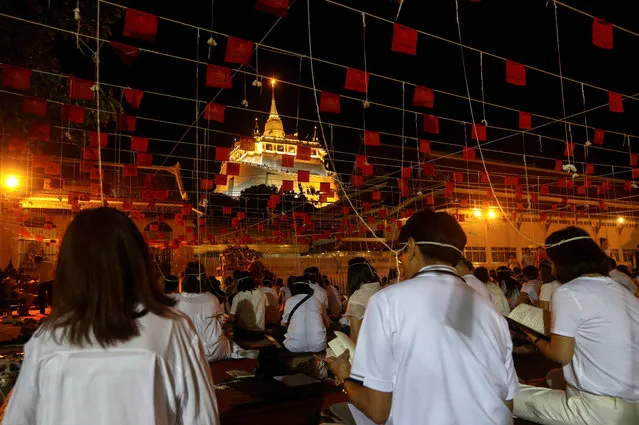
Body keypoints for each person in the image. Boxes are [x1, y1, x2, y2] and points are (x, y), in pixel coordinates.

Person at [1, 207, 219, 425]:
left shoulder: (47, 339)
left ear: (69, 268)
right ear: (137, 260)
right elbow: (202, 418)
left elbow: (19, 418)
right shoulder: (172, 327)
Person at [327, 209, 518, 425]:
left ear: (411, 246)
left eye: (401, 252)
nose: (401, 259)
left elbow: (377, 409)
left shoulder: (387, 302)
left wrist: (345, 377)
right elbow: (507, 402)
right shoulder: (490, 311)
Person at [514, 227, 639, 424]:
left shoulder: (569, 291)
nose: (552, 269)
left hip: (601, 410)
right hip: (633, 401)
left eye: (552, 262)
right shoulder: (619, 290)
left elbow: (560, 354)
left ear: (563, 261)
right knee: (553, 376)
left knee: (506, 392)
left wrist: (532, 335)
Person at [174, 262, 230, 362]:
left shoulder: (177, 300)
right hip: (216, 351)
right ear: (204, 279)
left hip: (188, 354)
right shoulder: (211, 298)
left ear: (184, 279)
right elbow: (221, 321)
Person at [279, 277, 328, 353]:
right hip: (319, 346)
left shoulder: (290, 301)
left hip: (294, 347)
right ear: (308, 287)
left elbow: (284, 322)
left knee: (277, 330)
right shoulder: (316, 301)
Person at [344, 258, 381, 343]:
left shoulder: (356, 299)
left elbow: (356, 338)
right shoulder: (383, 289)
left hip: (368, 347)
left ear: (352, 276)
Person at [229, 271, 267, 340]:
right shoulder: (262, 294)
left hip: (244, 334)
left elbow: (232, 317)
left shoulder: (238, 296)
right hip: (260, 332)